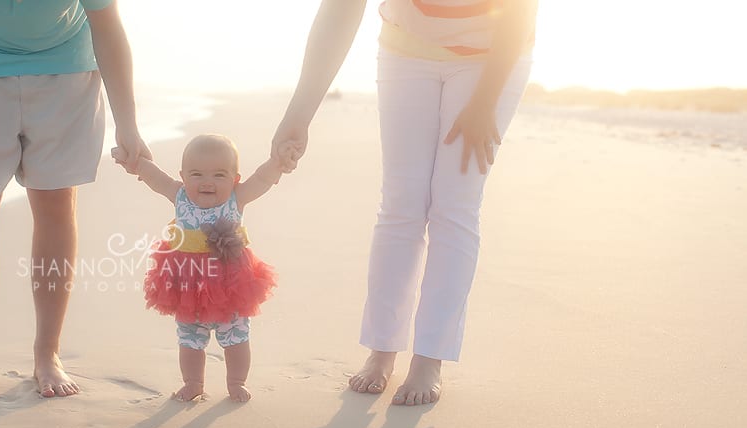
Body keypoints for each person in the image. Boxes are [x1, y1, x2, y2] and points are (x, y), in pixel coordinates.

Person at [272, 0, 539, 406]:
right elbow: (341, 10)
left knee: (454, 204)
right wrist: (299, 115)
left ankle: (430, 356)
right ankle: (382, 348)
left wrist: (485, 102)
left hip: (491, 55)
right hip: (407, 48)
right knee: (401, 204)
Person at [0, 0, 150, 404]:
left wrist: (128, 123)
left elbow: (106, 24)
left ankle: (47, 353)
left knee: (56, 205)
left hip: (65, 72)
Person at [112, 135, 283, 402]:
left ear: (235, 179)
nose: (207, 182)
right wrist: (136, 163)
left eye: (219, 175)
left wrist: (277, 163)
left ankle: (237, 382)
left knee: (236, 337)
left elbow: (261, 179)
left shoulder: (236, 198)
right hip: (187, 285)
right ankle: (193, 383)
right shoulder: (179, 195)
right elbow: (156, 178)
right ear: (183, 177)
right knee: (189, 338)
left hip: (230, 286)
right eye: (197, 174)